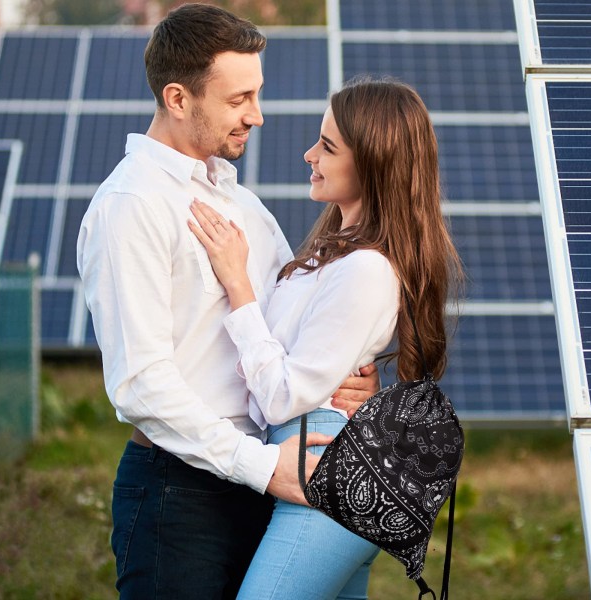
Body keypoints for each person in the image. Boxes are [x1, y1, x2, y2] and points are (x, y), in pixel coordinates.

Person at [76, 4, 379, 599]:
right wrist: (265, 468)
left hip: (266, 480)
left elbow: (290, 332)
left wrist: (346, 376)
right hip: (180, 496)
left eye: (257, 95)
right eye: (238, 99)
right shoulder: (130, 207)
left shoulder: (247, 210)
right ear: (179, 99)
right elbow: (140, 384)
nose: (257, 116)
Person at [188, 77, 464, 599]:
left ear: (374, 164)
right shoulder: (331, 256)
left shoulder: (366, 269)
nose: (309, 154)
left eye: (329, 146)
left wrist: (238, 283)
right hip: (313, 453)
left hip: (323, 463)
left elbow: (281, 397)